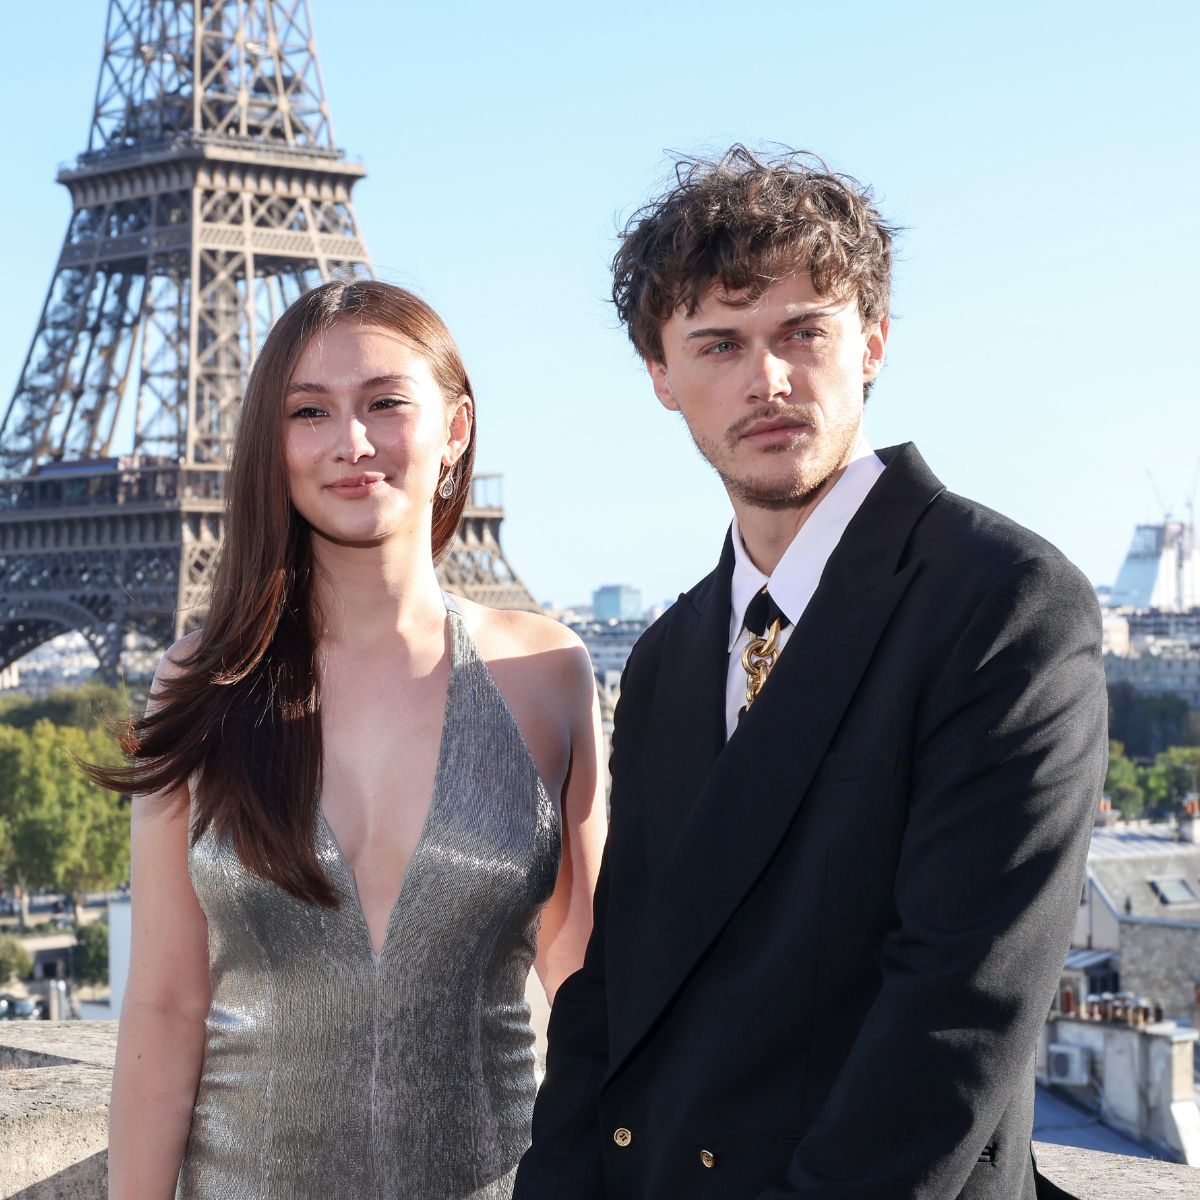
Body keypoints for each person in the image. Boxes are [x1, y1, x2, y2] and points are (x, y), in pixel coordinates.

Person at [514, 147, 1107, 1200]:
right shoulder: (666, 656)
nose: (768, 381)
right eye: (720, 344)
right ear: (661, 378)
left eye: (803, 333)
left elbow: (956, 1012)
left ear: (872, 341)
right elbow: (615, 990)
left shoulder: (1007, 603)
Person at [88, 281, 607, 1199]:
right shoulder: (201, 684)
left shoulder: (549, 672)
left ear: (455, 429)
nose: (351, 442)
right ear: (273, 443)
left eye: (385, 403)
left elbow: (587, 977)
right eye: (309, 412)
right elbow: (165, 1006)